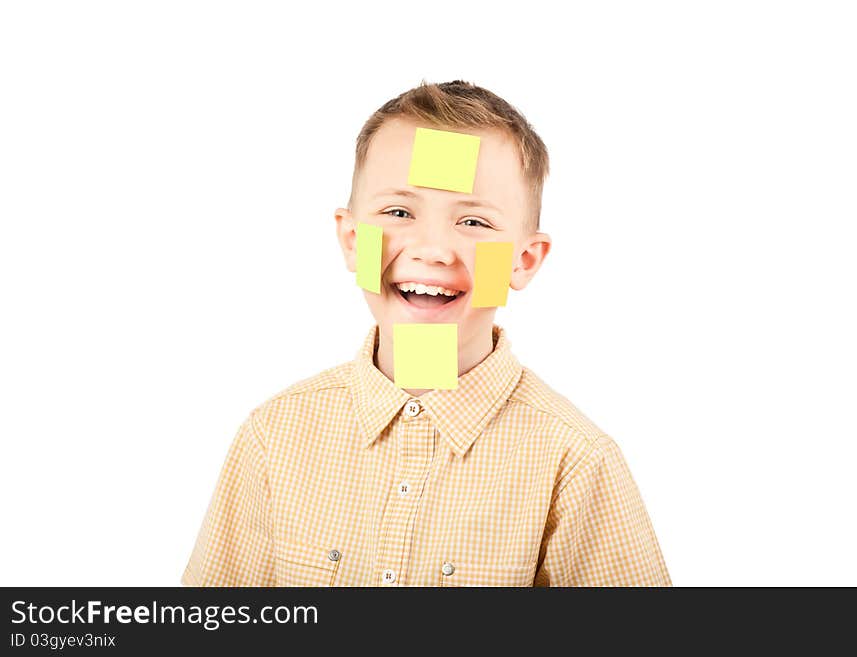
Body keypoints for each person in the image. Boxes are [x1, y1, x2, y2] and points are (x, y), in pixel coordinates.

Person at [181, 80, 671, 586]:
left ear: (524, 261)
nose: (433, 249)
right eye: (399, 213)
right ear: (352, 240)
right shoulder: (274, 435)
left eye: (474, 221)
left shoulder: (576, 462)